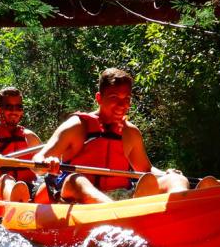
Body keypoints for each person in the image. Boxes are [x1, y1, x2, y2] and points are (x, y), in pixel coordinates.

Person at [34, 68, 190, 204]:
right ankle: (119, 213)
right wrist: (48, 161)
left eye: (127, 99)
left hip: (119, 195)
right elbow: (38, 160)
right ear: (99, 98)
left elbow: (146, 170)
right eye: (114, 98)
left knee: (177, 179)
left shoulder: (131, 133)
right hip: (77, 197)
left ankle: (182, 210)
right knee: (77, 180)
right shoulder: (76, 126)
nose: (122, 106)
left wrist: (167, 174)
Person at [0, 87, 41, 202]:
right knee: (6, 179)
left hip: (28, 188)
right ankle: (16, 203)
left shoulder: (30, 138)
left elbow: (42, 169)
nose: (14, 111)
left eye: (18, 107)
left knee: (46, 188)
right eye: (9, 107)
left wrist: (50, 164)